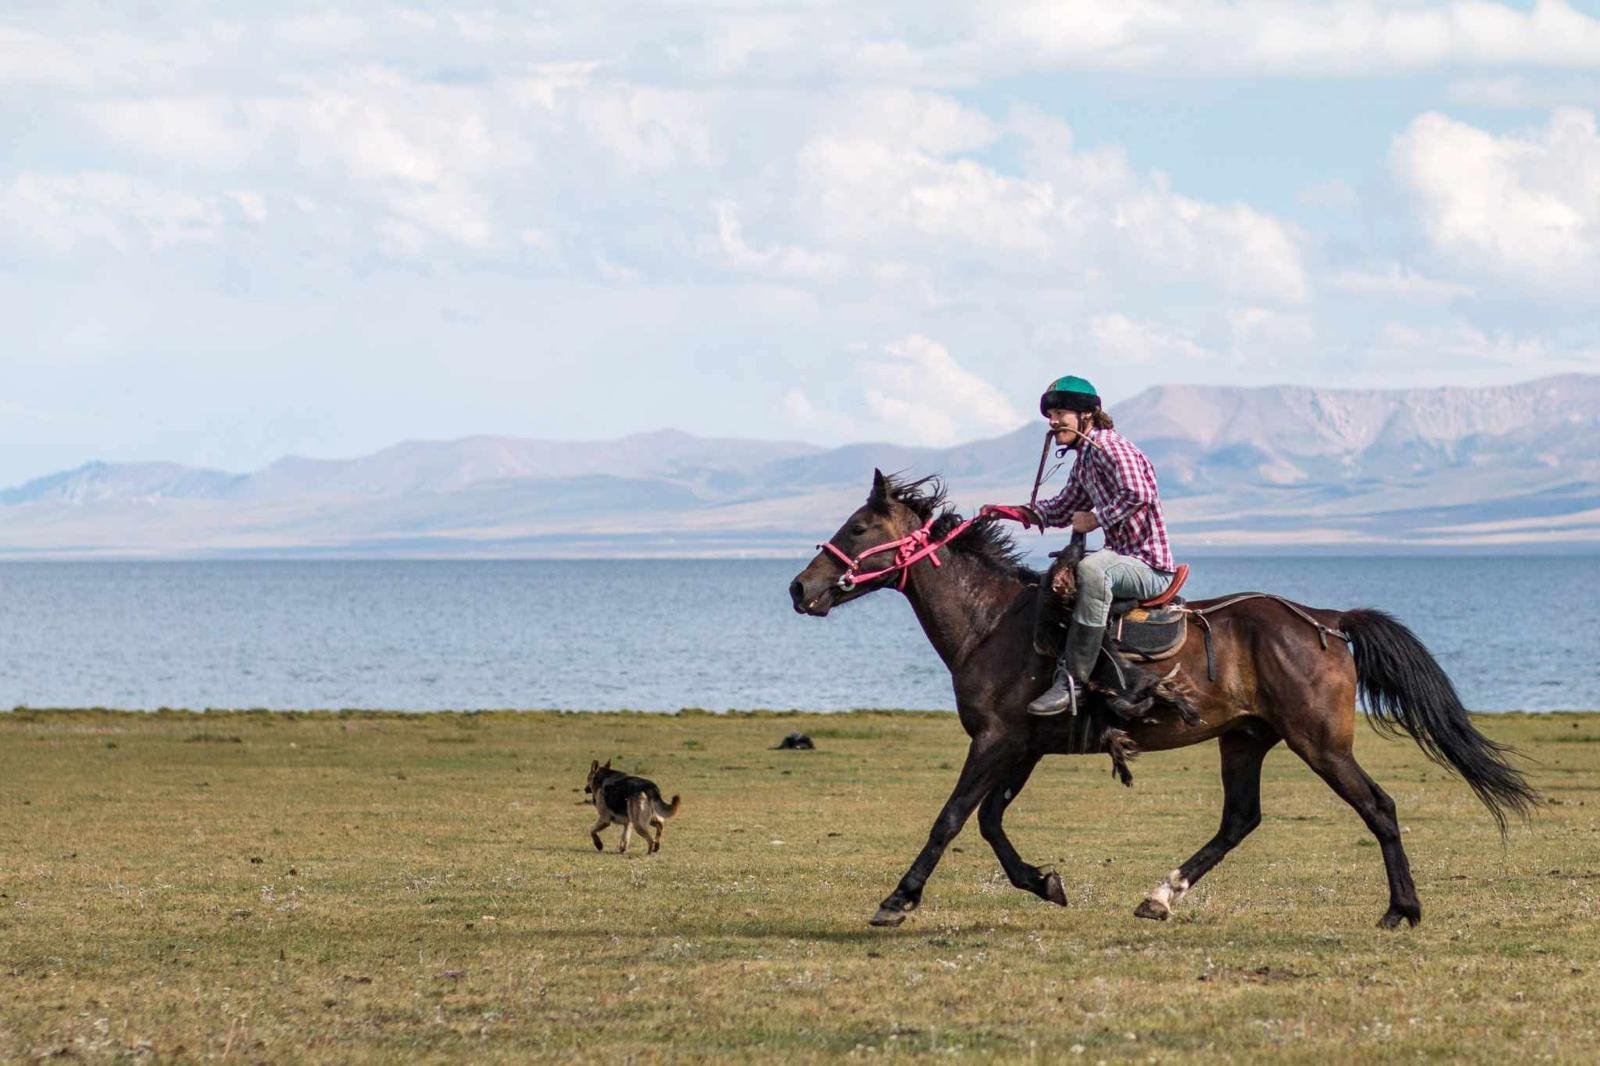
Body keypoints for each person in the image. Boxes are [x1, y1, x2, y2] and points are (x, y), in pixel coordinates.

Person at [999, 375, 1176, 717]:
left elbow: (1140, 494)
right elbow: (1064, 507)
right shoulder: (1085, 460)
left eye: (1061, 412)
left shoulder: (1110, 446)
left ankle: (1073, 682)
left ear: (1086, 415)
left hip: (1149, 567)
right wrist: (1017, 513)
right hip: (1123, 560)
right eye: (1050, 414)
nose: (1053, 421)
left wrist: (1096, 519)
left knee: (1091, 570)